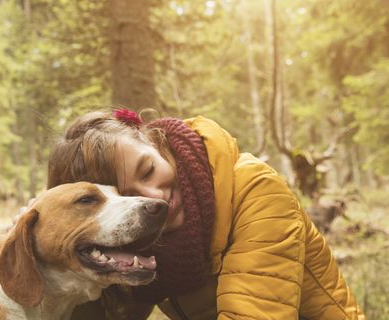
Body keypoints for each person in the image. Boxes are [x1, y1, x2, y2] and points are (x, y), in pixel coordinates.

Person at [45, 108, 365, 320]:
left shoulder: (255, 190)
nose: (157, 198)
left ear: (154, 141)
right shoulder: (132, 242)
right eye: (130, 198)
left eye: (148, 170)